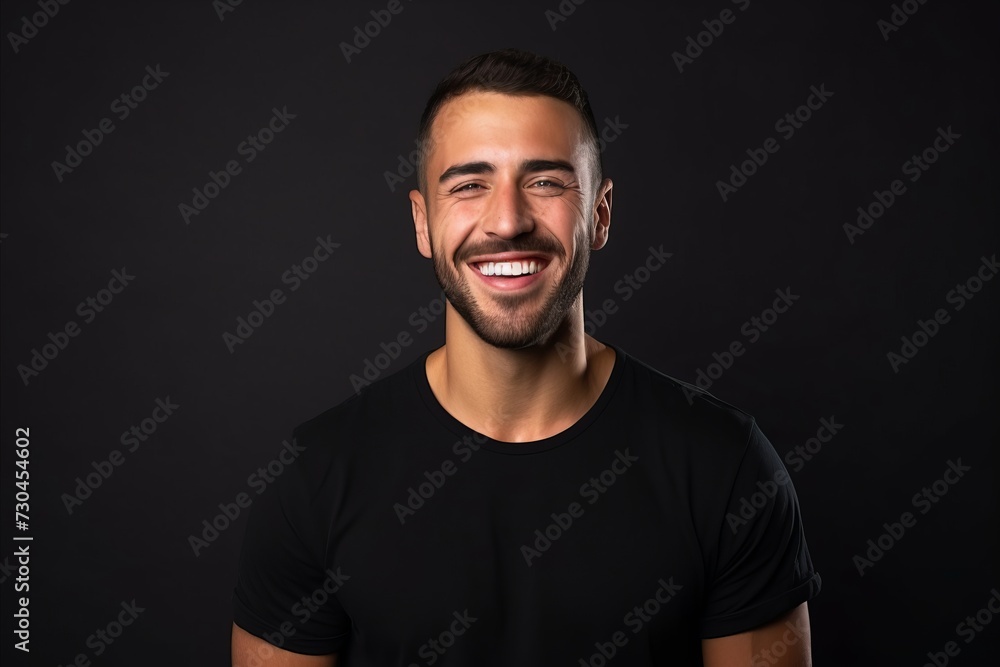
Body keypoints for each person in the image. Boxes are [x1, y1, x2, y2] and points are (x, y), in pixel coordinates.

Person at [231, 48, 821, 666]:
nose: (507, 220)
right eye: (468, 185)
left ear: (599, 213)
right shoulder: (318, 477)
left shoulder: (725, 468)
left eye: (544, 182)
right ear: (422, 222)